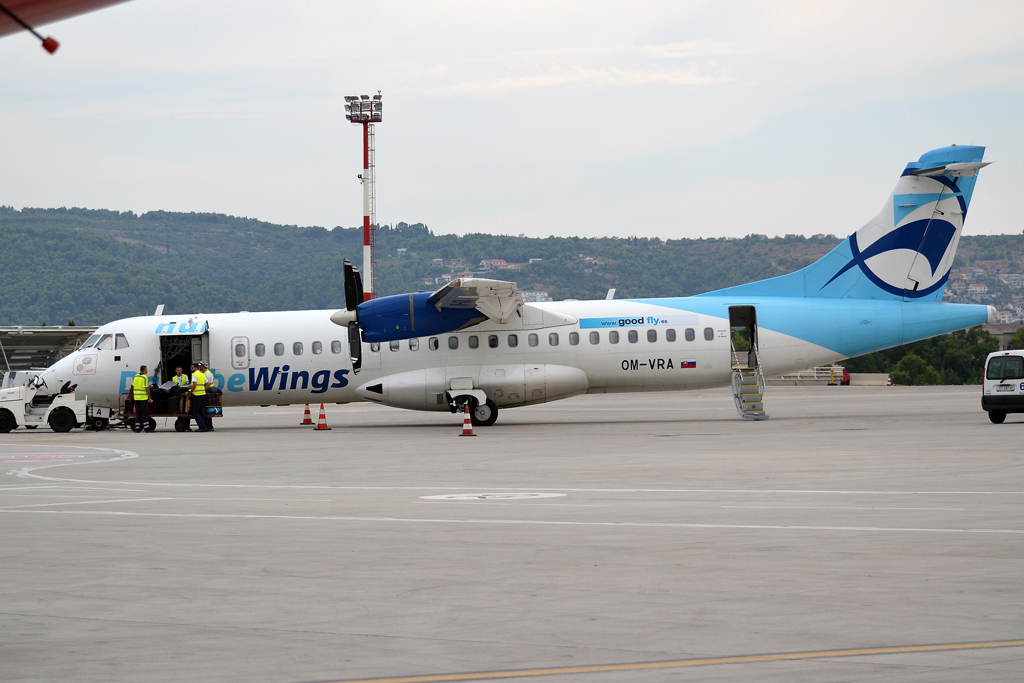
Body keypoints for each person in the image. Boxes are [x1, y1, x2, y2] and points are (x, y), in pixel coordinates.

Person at [132, 364, 153, 433]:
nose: (147, 371)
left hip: (136, 398)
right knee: (145, 413)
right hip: (143, 398)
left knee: (138, 413)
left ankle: (137, 428)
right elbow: (147, 388)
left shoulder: (136, 376)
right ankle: (146, 428)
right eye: (146, 369)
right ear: (144, 370)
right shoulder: (144, 378)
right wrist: (149, 397)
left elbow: (133, 386)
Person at [190, 362, 211, 432]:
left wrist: (190, 391)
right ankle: (203, 426)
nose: (191, 369)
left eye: (192, 367)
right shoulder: (202, 374)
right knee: (201, 411)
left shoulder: (194, 374)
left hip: (197, 395)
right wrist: (204, 390)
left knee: (195, 412)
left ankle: (202, 426)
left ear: (196, 368)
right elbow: (207, 383)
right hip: (203, 395)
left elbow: (194, 384)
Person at [171, 366, 192, 431]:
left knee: (186, 410)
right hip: (178, 395)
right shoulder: (174, 378)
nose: (179, 371)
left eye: (180, 370)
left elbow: (187, 384)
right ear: (176, 371)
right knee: (179, 409)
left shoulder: (185, 376)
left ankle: (187, 425)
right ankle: (181, 421)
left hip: (184, 394)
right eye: (178, 370)